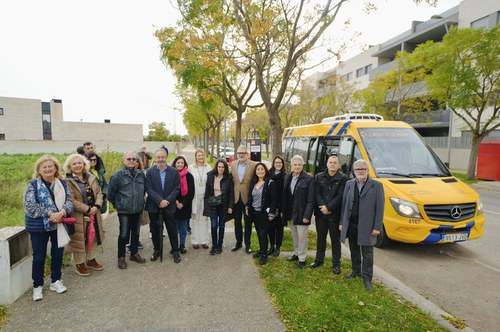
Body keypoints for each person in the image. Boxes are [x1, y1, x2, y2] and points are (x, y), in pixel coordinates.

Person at [23, 155, 73, 301]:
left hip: (58, 224)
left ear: (56, 168)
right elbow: (30, 206)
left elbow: (69, 201)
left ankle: (55, 281)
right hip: (39, 226)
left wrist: (62, 212)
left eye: (50, 166)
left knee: (58, 254)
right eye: (44, 167)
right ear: (39, 170)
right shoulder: (32, 185)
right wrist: (51, 213)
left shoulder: (62, 184)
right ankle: (37, 286)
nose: (48, 169)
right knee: (39, 257)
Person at [340, 159, 384, 291]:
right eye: (357, 169)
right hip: (352, 224)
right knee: (354, 249)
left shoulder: (376, 185)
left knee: (368, 253)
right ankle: (356, 271)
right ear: (354, 171)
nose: (360, 171)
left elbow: (380, 208)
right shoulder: (349, 184)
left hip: (368, 226)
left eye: (362, 169)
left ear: (367, 171)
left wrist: (377, 227)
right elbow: (344, 204)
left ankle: (367, 278)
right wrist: (342, 223)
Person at [63, 154, 105, 276]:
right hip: (78, 215)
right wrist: (87, 209)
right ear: (69, 167)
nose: (77, 165)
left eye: (79, 163)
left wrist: (97, 206)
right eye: (74, 164)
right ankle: (80, 263)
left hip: (94, 213)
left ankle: (91, 259)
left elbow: (99, 193)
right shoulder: (67, 181)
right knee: (79, 239)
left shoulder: (91, 177)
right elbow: (70, 200)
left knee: (94, 235)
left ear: (84, 164)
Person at [108, 152, 147, 269]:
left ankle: (134, 254)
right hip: (124, 211)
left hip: (138, 210)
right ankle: (121, 257)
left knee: (136, 233)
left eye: (134, 159)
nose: (131, 161)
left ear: (137, 161)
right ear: (124, 160)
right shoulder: (117, 176)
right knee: (124, 234)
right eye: (129, 159)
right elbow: (110, 195)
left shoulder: (141, 175)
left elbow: (144, 190)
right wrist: (118, 205)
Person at [311, 155, 347, 274]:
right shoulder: (319, 176)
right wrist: (323, 207)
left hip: (334, 215)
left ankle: (336, 264)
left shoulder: (343, 178)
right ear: (327, 164)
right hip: (321, 214)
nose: (332, 164)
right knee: (320, 238)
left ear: (338, 165)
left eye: (334, 163)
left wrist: (329, 207)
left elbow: (340, 196)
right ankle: (319, 260)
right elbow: (317, 194)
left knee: (335, 240)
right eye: (330, 162)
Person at [145, 148, 181, 263]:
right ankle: (157, 250)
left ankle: (175, 250)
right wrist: (160, 201)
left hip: (169, 206)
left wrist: (167, 201)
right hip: (154, 206)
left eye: (162, 157)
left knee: (172, 229)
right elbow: (149, 188)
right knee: (155, 230)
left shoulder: (174, 171)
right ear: (155, 158)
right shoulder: (150, 172)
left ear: (166, 157)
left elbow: (176, 188)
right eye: (158, 157)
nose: (160, 159)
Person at [282, 155, 315, 269]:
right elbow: (285, 196)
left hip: (302, 213)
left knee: (302, 237)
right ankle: (296, 253)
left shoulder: (308, 179)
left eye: (299, 165)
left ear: (302, 165)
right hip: (291, 212)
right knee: (295, 235)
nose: (297, 167)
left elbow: (311, 200)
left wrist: (307, 215)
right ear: (291, 166)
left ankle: (302, 258)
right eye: (295, 165)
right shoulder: (288, 177)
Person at [246, 163, 277, 265]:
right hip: (254, 212)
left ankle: (264, 255)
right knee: (259, 233)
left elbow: (274, 200)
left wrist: (272, 213)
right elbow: (250, 197)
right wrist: (247, 207)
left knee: (263, 233)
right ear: (255, 171)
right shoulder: (253, 183)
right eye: (258, 169)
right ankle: (261, 250)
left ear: (265, 170)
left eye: (262, 169)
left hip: (264, 213)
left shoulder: (270, 183)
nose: (260, 171)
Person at [203, 159, 234, 255]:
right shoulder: (211, 176)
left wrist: (230, 206)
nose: (221, 169)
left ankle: (220, 245)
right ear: (216, 167)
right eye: (219, 167)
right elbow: (207, 192)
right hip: (213, 205)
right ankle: (214, 246)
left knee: (221, 225)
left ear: (225, 168)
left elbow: (231, 193)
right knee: (213, 225)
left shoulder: (228, 178)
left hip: (223, 205)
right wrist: (207, 204)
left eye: (223, 167)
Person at [229, 145, 256, 253]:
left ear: (247, 154)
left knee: (248, 222)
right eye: (239, 153)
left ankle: (247, 244)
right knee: (237, 222)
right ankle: (238, 242)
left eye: (243, 153)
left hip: (248, 198)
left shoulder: (253, 165)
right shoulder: (233, 164)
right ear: (237, 154)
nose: (241, 155)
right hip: (236, 198)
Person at [188, 149, 212, 249]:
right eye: (199, 155)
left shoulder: (208, 167)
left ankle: (205, 241)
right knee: (194, 218)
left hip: (205, 196)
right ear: (195, 157)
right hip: (195, 196)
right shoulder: (191, 168)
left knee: (204, 219)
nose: (201, 157)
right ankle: (195, 241)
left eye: (202, 155)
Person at [172, 155, 195, 254]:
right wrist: (176, 201)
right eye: (178, 162)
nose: (180, 164)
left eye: (182, 162)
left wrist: (182, 203)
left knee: (183, 226)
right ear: (175, 164)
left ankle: (182, 245)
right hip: (173, 204)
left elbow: (191, 192)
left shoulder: (189, 176)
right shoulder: (171, 175)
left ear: (185, 164)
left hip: (185, 205)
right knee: (174, 227)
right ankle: (174, 246)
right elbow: (169, 190)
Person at [267, 156, 287, 257]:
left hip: (281, 205)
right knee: (271, 227)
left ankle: (278, 247)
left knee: (279, 228)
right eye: (276, 162)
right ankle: (271, 246)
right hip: (270, 206)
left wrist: (284, 209)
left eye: (280, 162)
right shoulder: (269, 174)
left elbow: (286, 193)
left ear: (282, 164)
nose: (278, 164)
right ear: (273, 164)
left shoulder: (286, 176)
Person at [85, 152, 108, 219]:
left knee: (100, 217)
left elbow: (105, 184)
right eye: (90, 160)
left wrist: (103, 194)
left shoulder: (99, 171)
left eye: (94, 160)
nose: (93, 161)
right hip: (91, 200)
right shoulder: (85, 172)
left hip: (101, 198)